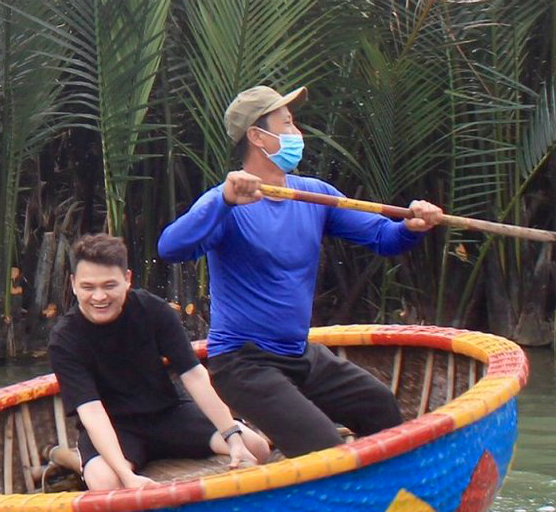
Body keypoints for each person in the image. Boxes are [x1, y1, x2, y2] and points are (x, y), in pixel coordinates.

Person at [156, 84, 443, 459]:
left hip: (299, 354)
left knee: (380, 407)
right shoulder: (224, 201)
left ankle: (387, 498)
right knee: (325, 451)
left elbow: (383, 238)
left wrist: (412, 226)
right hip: (244, 363)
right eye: (288, 125)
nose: (298, 135)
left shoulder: (315, 194)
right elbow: (170, 248)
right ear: (258, 136)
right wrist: (225, 202)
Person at [47, 233, 271, 491]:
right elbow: (92, 411)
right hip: (116, 425)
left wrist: (231, 435)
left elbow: (194, 375)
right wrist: (126, 475)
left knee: (257, 448)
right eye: (88, 287)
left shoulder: (153, 310)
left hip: (168, 413)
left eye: (109, 285)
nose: (99, 297)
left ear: (127, 279)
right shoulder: (65, 338)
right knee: (107, 482)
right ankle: (84, 463)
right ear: (74, 284)